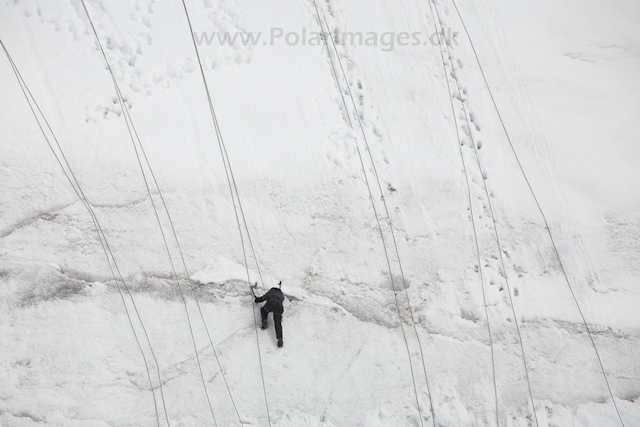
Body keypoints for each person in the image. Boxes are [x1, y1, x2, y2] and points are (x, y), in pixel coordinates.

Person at [253, 281, 285, 347]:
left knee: (264, 310)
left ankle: (264, 321)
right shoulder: (282, 295)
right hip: (279, 307)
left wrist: (257, 300)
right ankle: (280, 338)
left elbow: (263, 298)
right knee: (277, 323)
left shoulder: (271, 292)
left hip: (271, 303)